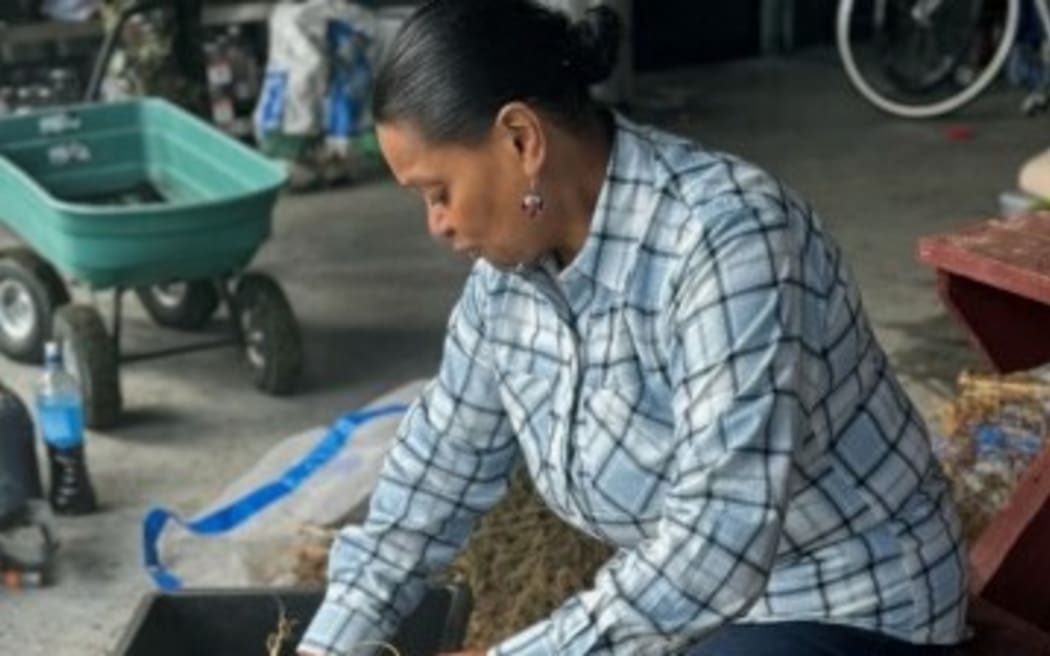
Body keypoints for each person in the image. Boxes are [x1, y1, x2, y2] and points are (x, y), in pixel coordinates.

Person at [299, 1, 968, 654]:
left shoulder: (726, 238)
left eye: (438, 192)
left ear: (521, 140)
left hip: (850, 603)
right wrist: (327, 645)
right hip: (689, 619)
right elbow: (431, 481)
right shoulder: (506, 285)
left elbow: (719, 536)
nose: (436, 225)